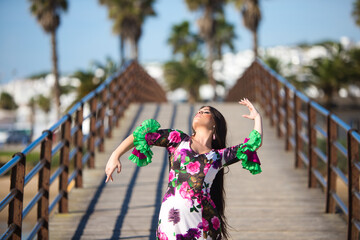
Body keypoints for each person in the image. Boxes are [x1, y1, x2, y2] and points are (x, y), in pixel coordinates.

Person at [105, 98, 263, 240]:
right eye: (199, 110)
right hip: (172, 217)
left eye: (205, 111)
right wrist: (115, 155)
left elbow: (252, 145)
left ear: (215, 124)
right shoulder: (178, 139)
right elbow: (142, 135)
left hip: (205, 220)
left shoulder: (219, 156)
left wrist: (257, 118)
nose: (199, 112)